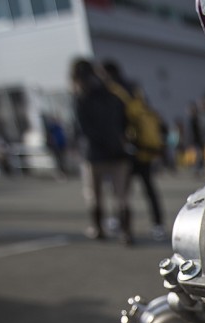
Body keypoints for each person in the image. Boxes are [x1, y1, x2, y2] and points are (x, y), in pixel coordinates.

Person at [100, 60, 167, 242]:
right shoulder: (135, 88)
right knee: (149, 188)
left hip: (128, 148)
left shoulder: (114, 91)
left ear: (107, 73)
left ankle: (119, 221)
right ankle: (158, 224)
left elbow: (117, 121)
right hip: (145, 148)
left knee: (122, 190)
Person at [70, 58, 131, 244]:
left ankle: (98, 228)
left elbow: (82, 128)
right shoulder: (112, 94)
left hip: (93, 153)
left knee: (94, 195)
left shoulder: (81, 98)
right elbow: (124, 120)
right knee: (121, 195)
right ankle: (125, 231)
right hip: (117, 152)